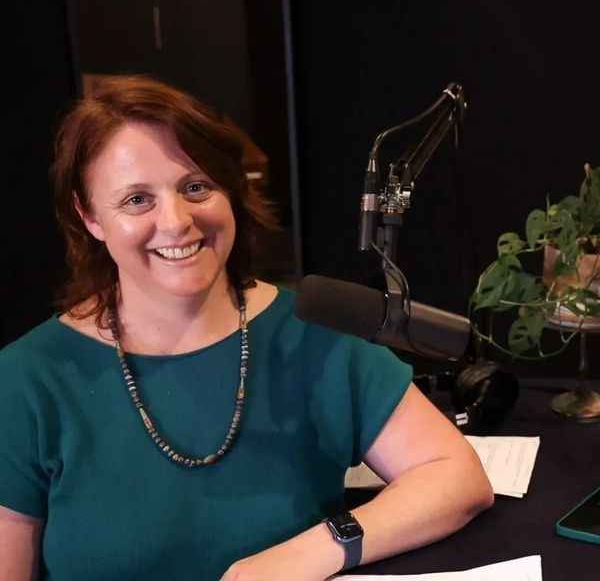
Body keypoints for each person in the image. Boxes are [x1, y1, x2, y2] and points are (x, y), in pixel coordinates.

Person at [0, 75, 493, 580]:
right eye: (136, 200)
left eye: (196, 186)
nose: (175, 221)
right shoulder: (27, 377)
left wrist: (314, 550)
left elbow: (455, 475)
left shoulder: (314, 332)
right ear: (90, 218)